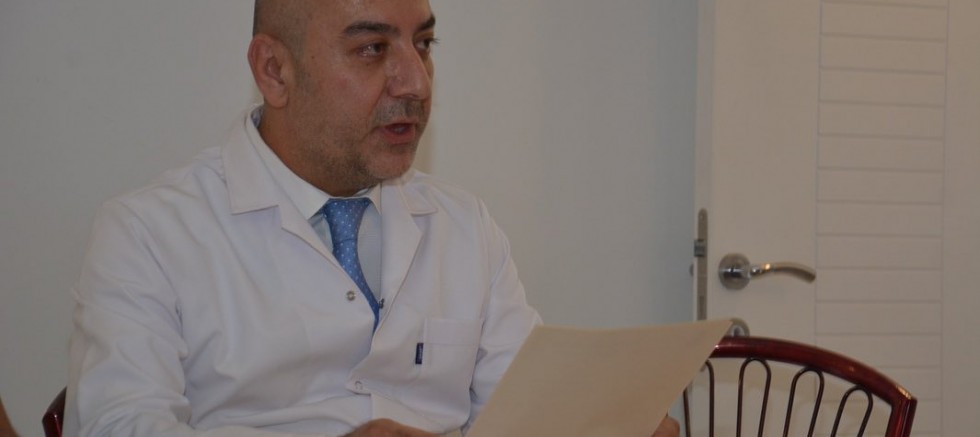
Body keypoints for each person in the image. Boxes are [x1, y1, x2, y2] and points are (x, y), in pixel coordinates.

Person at [65, 1, 679, 436]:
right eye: (372, 49)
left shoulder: (464, 225)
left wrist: (604, 421)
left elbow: (523, 410)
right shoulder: (149, 233)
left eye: (424, 44)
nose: (416, 82)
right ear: (274, 70)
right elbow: (118, 425)